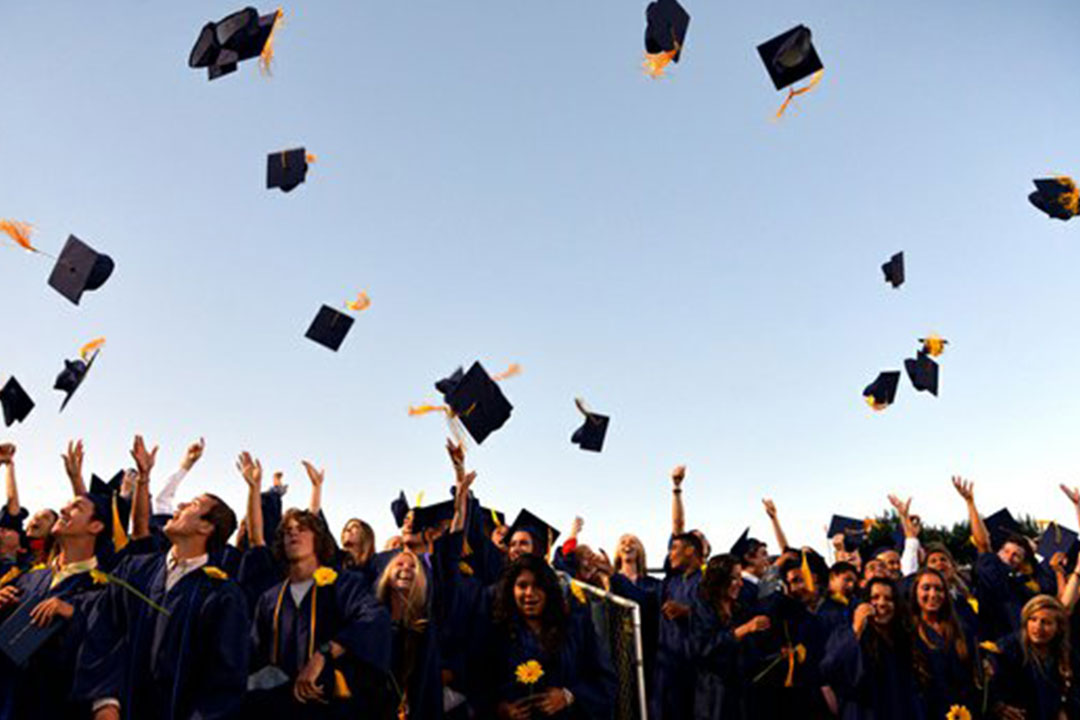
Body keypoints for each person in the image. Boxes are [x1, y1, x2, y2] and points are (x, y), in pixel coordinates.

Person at [74, 435, 251, 720]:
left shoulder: (223, 595)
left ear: (207, 528)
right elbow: (103, 631)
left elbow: (224, 680)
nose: (178, 506)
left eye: (192, 505)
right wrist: (105, 702)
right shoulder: (134, 570)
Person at [247, 506, 390, 719]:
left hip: (330, 705)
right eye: (287, 531)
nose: (293, 533)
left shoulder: (343, 584)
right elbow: (255, 651)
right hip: (277, 706)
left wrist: (325, 652)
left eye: (302, 529)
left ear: (318, 539)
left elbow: (373, 618)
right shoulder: (270, 598)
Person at [0, 492, 110, 719]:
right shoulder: (28, 578)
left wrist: (73, 614)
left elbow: (108, 653)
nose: (63, 510)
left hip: (57, 708)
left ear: (96, 526)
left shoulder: (103, 589)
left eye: (76, 507)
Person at [480, 553, 616, 719]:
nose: (529, 593)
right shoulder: (497, 632)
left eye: (538, 586)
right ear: (511, 590)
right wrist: (500, 708)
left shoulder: (575, 628)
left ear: (549, 590)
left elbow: (605, 681)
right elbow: (480, 683)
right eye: (522, 586)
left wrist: (568, 696)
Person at [953, 476, 1042, 643]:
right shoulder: (991, 570)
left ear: (1022, 563)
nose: (1009, 556)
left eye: (1016, 555)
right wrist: (970, 503)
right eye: (1005, 551)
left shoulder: (1024, 588)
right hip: (992, 644)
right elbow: (983, 544)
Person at [820, 578, 922, 719]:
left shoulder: (904, 638)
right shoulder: (846, 633)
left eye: (889, 599)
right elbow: (831, 669)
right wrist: (856, 631)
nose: (881, 604)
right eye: (874, 597)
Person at [651, 464, 704, 720]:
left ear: (693, 550)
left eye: (676, 548)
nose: (670, 553)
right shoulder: (670, 582)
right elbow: (677, 525)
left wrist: (688, 611)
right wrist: (676, 489)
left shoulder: (708, 581)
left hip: (695, 671)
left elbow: (721, 617)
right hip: (665, 668)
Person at [689, 554, 770, 720]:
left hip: (743, 698)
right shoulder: (702, 610)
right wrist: (743, 630)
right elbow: (703, 650)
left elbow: (751, 653)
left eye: (740, 578)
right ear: (719, 580)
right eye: (734, 578)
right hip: (715, 699)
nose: (740, 584)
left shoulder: (741, 610)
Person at [987, 594, 1080, 719]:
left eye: (1046, 622)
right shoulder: (1008, 650)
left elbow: (1072, 692)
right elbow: (993, 688)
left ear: (1058, 627)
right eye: (1033, 619)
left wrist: (1065, 709)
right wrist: (999, 706)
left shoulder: (1065, 654)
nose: (1038, 627)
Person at [908, 568, 977, 720]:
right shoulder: (907, 633)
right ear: (915, 593)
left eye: (939, 589)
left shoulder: (961, 630)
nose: (933, 594)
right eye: (926, 588)